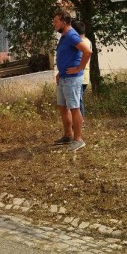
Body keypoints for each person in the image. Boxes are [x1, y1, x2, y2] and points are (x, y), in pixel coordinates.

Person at [52, 10, 92, 151]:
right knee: (63, 107)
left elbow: (87, 52)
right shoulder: (64, 36)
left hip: (72, 79)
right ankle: (68, 135)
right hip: (64, 77)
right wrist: (60, 73)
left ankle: (78, 139)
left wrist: (79, 68)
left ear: (64, 22)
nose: (54, 23)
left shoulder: (71, 35)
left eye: (56, 21)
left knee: (74, 108)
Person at [71, 20, 92, 116]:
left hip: (81, 75)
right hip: (84, 75)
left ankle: (80, 121)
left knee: (78, 100)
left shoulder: (81, 43)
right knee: (78, 99)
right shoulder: (87, 41)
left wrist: (78, 68)